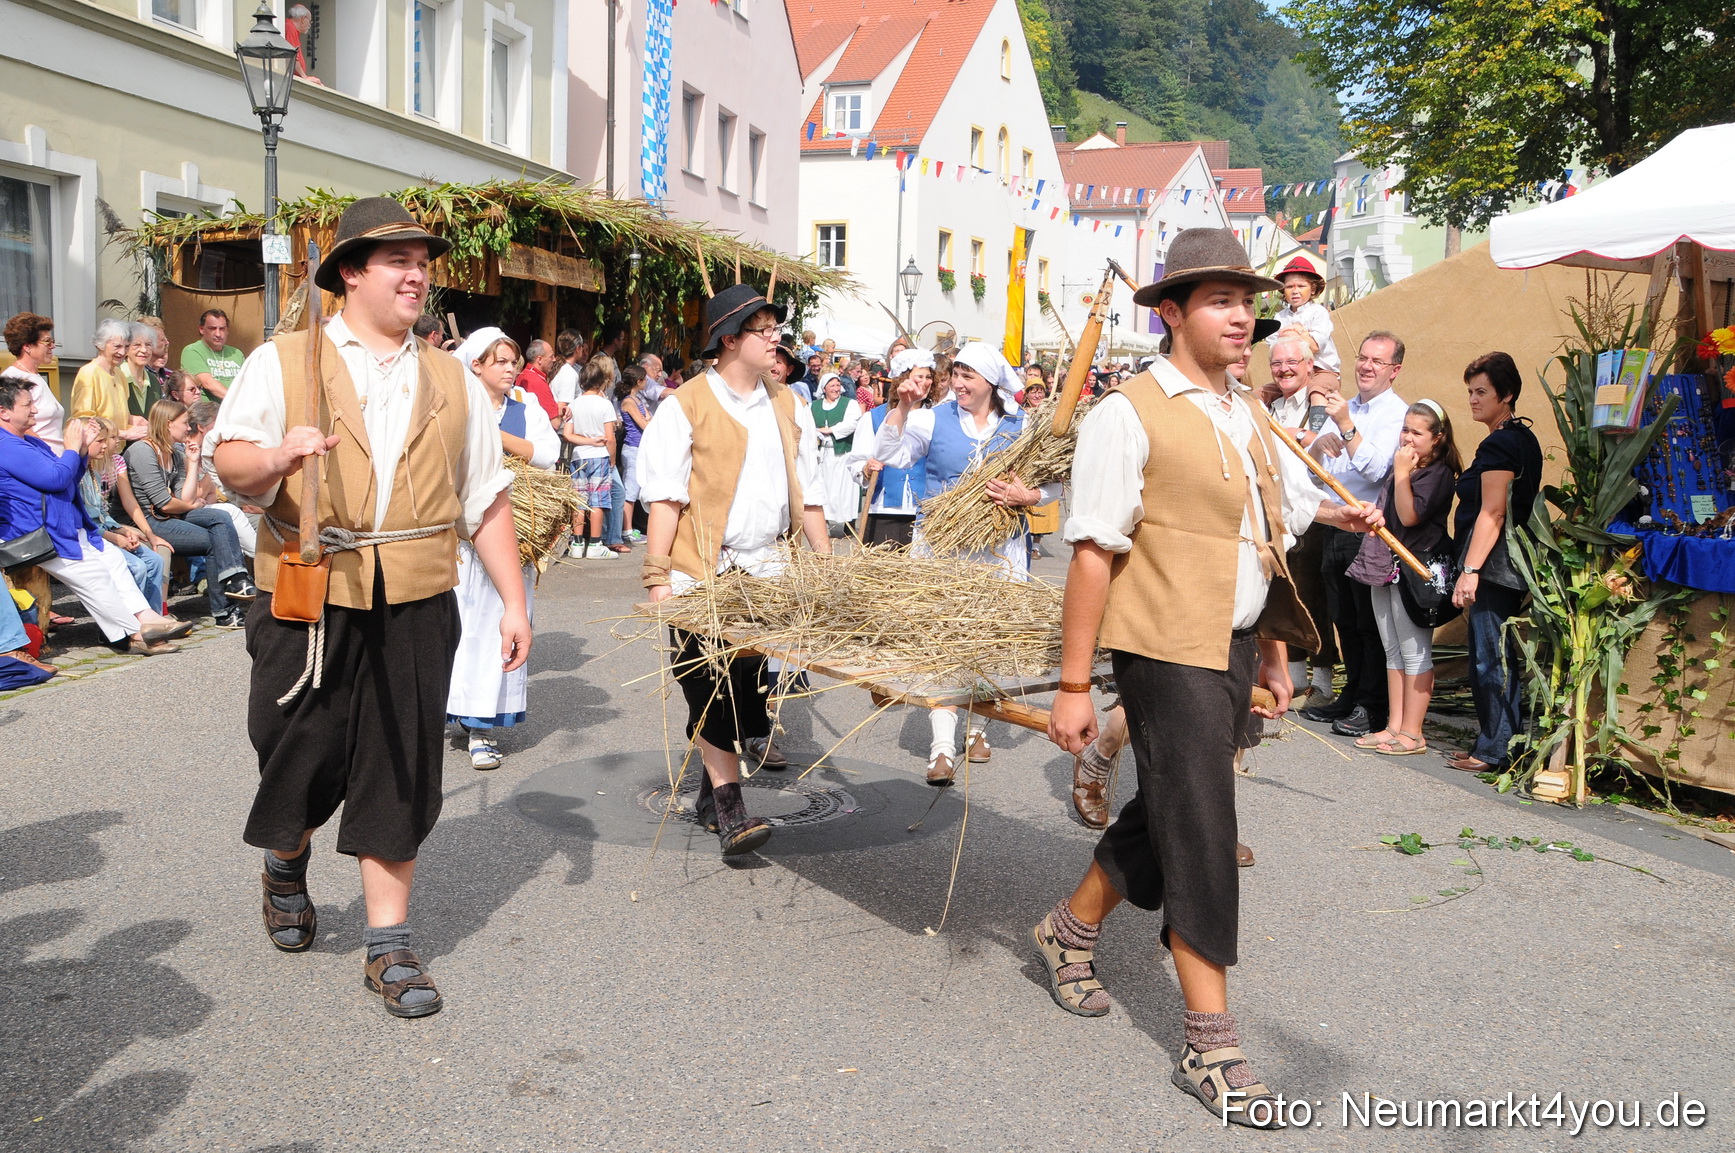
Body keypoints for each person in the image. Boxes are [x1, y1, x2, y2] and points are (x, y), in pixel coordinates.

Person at [1039, 227, 1384, 1127]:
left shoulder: (1246, 412)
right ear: (1170, 312)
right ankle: (1210, 1040)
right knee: (1201, 822)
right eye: (1222, 302)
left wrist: (1271, 647)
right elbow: (1090, 551)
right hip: (1160, 644)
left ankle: (1067, 931)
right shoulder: (1129, 412)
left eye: (1248, 302)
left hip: (1229, 643)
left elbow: (1266, 533)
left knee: (1169, 807)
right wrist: (1076, 685)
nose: (1244, 318)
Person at [209, 196, 528, 1019]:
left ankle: (389, 946)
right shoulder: (286, 360)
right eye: (398, 260)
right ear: (351, 272)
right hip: (305, 590)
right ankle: (287, 859)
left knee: (401, 763)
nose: (417, 274)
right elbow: (231, 463)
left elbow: (485, 500)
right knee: (297, 753)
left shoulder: (455, 377)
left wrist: (514, 602)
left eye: (423, 261)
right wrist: (279, 454)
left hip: (419, 594)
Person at [638, 283, 831, 854]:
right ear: (728, 339)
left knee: (746, 694)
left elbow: (811, 496)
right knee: (705, 684)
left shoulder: (791, 404)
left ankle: (707, 795)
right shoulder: (685, 405)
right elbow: (666, 501)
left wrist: (828, 570)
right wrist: (657, 577)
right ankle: (731, 808)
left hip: (768, 568)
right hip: (703, 573)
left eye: (777, 329)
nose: (776, 339)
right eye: (764, 329)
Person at [873, 341, 1059, 784]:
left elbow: (1056, 484)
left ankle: (977, 729)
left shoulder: (1022, 425)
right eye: (955, 375)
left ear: (990, 382)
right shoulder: (929, 418)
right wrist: (899, 407)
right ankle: (940, 747)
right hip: (942, 546)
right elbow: (892, 454)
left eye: (967, 376)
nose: (957, 383)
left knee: (990, 640)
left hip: (1001, 547)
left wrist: (1027, 496)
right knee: (944, 641)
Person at [0, 378, 192, 654]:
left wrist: (78, 452)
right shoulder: (6, 445)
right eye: (28, 404)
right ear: (4, 411)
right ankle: (136, 635)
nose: (35, 410)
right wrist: (72, 447)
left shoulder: (29, 442)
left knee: (112, 559)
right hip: (36, 534)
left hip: (62, 526)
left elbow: (68, 479)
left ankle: (146, 618)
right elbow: (55, 479)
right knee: (94, 576)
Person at [446, 328, 559, 770]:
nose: (511, 369)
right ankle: (451, 706)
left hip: (511, 537)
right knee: (461, 631)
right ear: (476, 366)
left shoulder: (524, 407)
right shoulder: (454, 409)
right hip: (460, 545)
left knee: (499, 628)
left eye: (513, 361)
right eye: (501, 362)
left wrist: (494, 436)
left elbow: (546, 454)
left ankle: (481, 727)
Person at [1299, 331, 1409, 739]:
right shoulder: (1344, 408)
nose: (1366, 366)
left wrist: (1345, 426)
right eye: (1363, 358)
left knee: (1368, 622)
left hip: (1368, 529)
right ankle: (1352, 694)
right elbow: (1316, 475)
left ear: (1394, 370)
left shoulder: (1396, 413)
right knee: (1344, 616)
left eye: (1377, 362)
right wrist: (1318, 447)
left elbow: (1377, 471)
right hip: (1336, 523)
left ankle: (1372, 705)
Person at [1346, 400, 1459, 755]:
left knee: (1414, 652)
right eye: (1404, 429)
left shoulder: (1438, 473)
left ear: (1437, 439)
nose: (1407, 438)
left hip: (1415, 569)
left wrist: (1401, 473)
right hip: (1386, 566)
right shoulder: (1405, 467)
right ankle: (1393, 726)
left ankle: (1413, 733)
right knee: (1391, 650)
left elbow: (1410, 517)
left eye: (1417, 432)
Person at [1449, 352, 1543, 774]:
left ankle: (1497, 749)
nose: (1472, 399)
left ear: (1506, 395)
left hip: (1495, 564)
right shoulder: (1517, 438)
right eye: (1470, 391)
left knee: (1491, 657)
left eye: (1481, 391)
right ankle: (1494, 741)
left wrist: (1470, 571)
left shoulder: (1502, 442)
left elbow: (1494, 512)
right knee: (1493, 654)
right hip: (1502, 562)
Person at [1258, 333, 1338, 709]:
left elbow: (1326, 439)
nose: (1284, 369)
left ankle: (1322, 683)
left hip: (1314, 515)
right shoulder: (1275, 403)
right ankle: (1296, 678)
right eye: (1277, 363)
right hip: (1279, 516)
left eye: (1292, 362)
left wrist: (1298, 435)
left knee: (1312, 599)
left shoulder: (1320, 404)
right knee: (1284, 595)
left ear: (1310, 366)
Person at [124, 399, 255, 626]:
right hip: (144, 520)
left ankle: (234, 586)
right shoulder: (142, 451)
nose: (188, 427)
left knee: (221, 519)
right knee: (217, 531)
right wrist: (192, 506)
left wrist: (193, 462)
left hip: (169, 515)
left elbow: (183, 497)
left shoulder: (175, 454)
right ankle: (227, 607)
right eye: (184, 422)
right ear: (167, 424)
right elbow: (164, 502)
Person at [76, 416, 171, 613]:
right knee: (136, 567)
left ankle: (154, 617)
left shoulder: (92, 471)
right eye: (100, 440)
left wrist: (121, 530)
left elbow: (102, 511)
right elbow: (80, 520)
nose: (107, 445)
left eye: (105, 440)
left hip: (105, 528)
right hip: (89, 536)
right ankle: (128, 623)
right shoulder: (76, 474)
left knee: (155, 561)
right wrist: (114, 536)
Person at [846, 348, 931, 547]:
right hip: (884, 513)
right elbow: (856, 462)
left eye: (929, 377)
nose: (925, 382)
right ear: (903, 379)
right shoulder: (873, 418)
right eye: (919, 376)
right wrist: (866, 469)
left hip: (924, 514)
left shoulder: (936, 417)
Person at [561, 355, 618, 559]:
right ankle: (595, 544)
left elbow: (567, 434)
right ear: (601, 381)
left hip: (578, 457)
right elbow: (610, 438)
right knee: (597, 500)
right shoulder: (604, 405)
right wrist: (612, 458)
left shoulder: (575, 404)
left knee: (579, 499)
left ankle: (576, 543)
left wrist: (585, 441)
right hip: (599, 456)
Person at [70, 319, 146, 440]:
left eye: (126, 347)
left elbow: (116, 413)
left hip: (115, 448)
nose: (122, 352)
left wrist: (133, 420)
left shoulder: (119, 374)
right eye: (117, 346)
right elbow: (85, 421)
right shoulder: (89, 373)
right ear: (101, 345)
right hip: (98, 450)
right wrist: (124, 434)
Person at [1271, 257, 1340, 393]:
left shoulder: (1318, 312)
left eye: (1301, 286)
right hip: (1291, 373)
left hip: (1321, 371)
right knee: (1262, 394)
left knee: (1317, 392)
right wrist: (1301, 334)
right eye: (1290, 286)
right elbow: (1275, 349)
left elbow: (1314, 347)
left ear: (1313, 289)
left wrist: (1289, 334)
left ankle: (1317, 414)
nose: (1295, 291)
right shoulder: (1280, 317)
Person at [2, 312, 65, 452]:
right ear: (27, 347)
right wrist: (46, 455)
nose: (52, 346)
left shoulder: (36, 376)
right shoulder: (13, 379)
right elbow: (16, 427)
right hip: (42, 461)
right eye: (47, 342)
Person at [810, 372, 863, 535]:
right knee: (824, 489)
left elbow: (852, 423)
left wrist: (831, 430)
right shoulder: (814, 406)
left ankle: (849, 525)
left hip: (842, 454)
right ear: (824, 388)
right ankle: (823, 524)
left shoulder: (850, 404)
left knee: (845, 490)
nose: (836, 389)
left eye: (838, 385)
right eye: (832, 385)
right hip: (823, 456)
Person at [181, 309, 247, 402]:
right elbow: (208, 383)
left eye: (222, 329)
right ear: (201, 329)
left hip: (235, 412)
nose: (218, 334)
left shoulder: (236, 353)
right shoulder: (192, 351)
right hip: (207, 413)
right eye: (212, 328)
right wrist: (237, 401)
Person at [618, 363, 652, 538]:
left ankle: (630, 528)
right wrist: (647, 419)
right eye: (645, 379)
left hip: (639, 448)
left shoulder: (637, 399)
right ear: (638, 381)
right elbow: (645, 423)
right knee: (630, 491)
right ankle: (627, 530)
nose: (647, 381)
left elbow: (648, 418)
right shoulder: (628, 402)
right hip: (632, 449)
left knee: (636, 488)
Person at [516, 339, 560, 422]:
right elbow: (555, 422)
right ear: (539, 359)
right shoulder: (536, 381)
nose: (554, 359)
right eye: (551, 356)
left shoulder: (524, 374)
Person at [284, 3, 323, 83]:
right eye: (310, 21)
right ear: (303, 19)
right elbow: (292, 56)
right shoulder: (289, 28)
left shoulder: (292, 29)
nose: (309, 25)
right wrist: (304, 77)